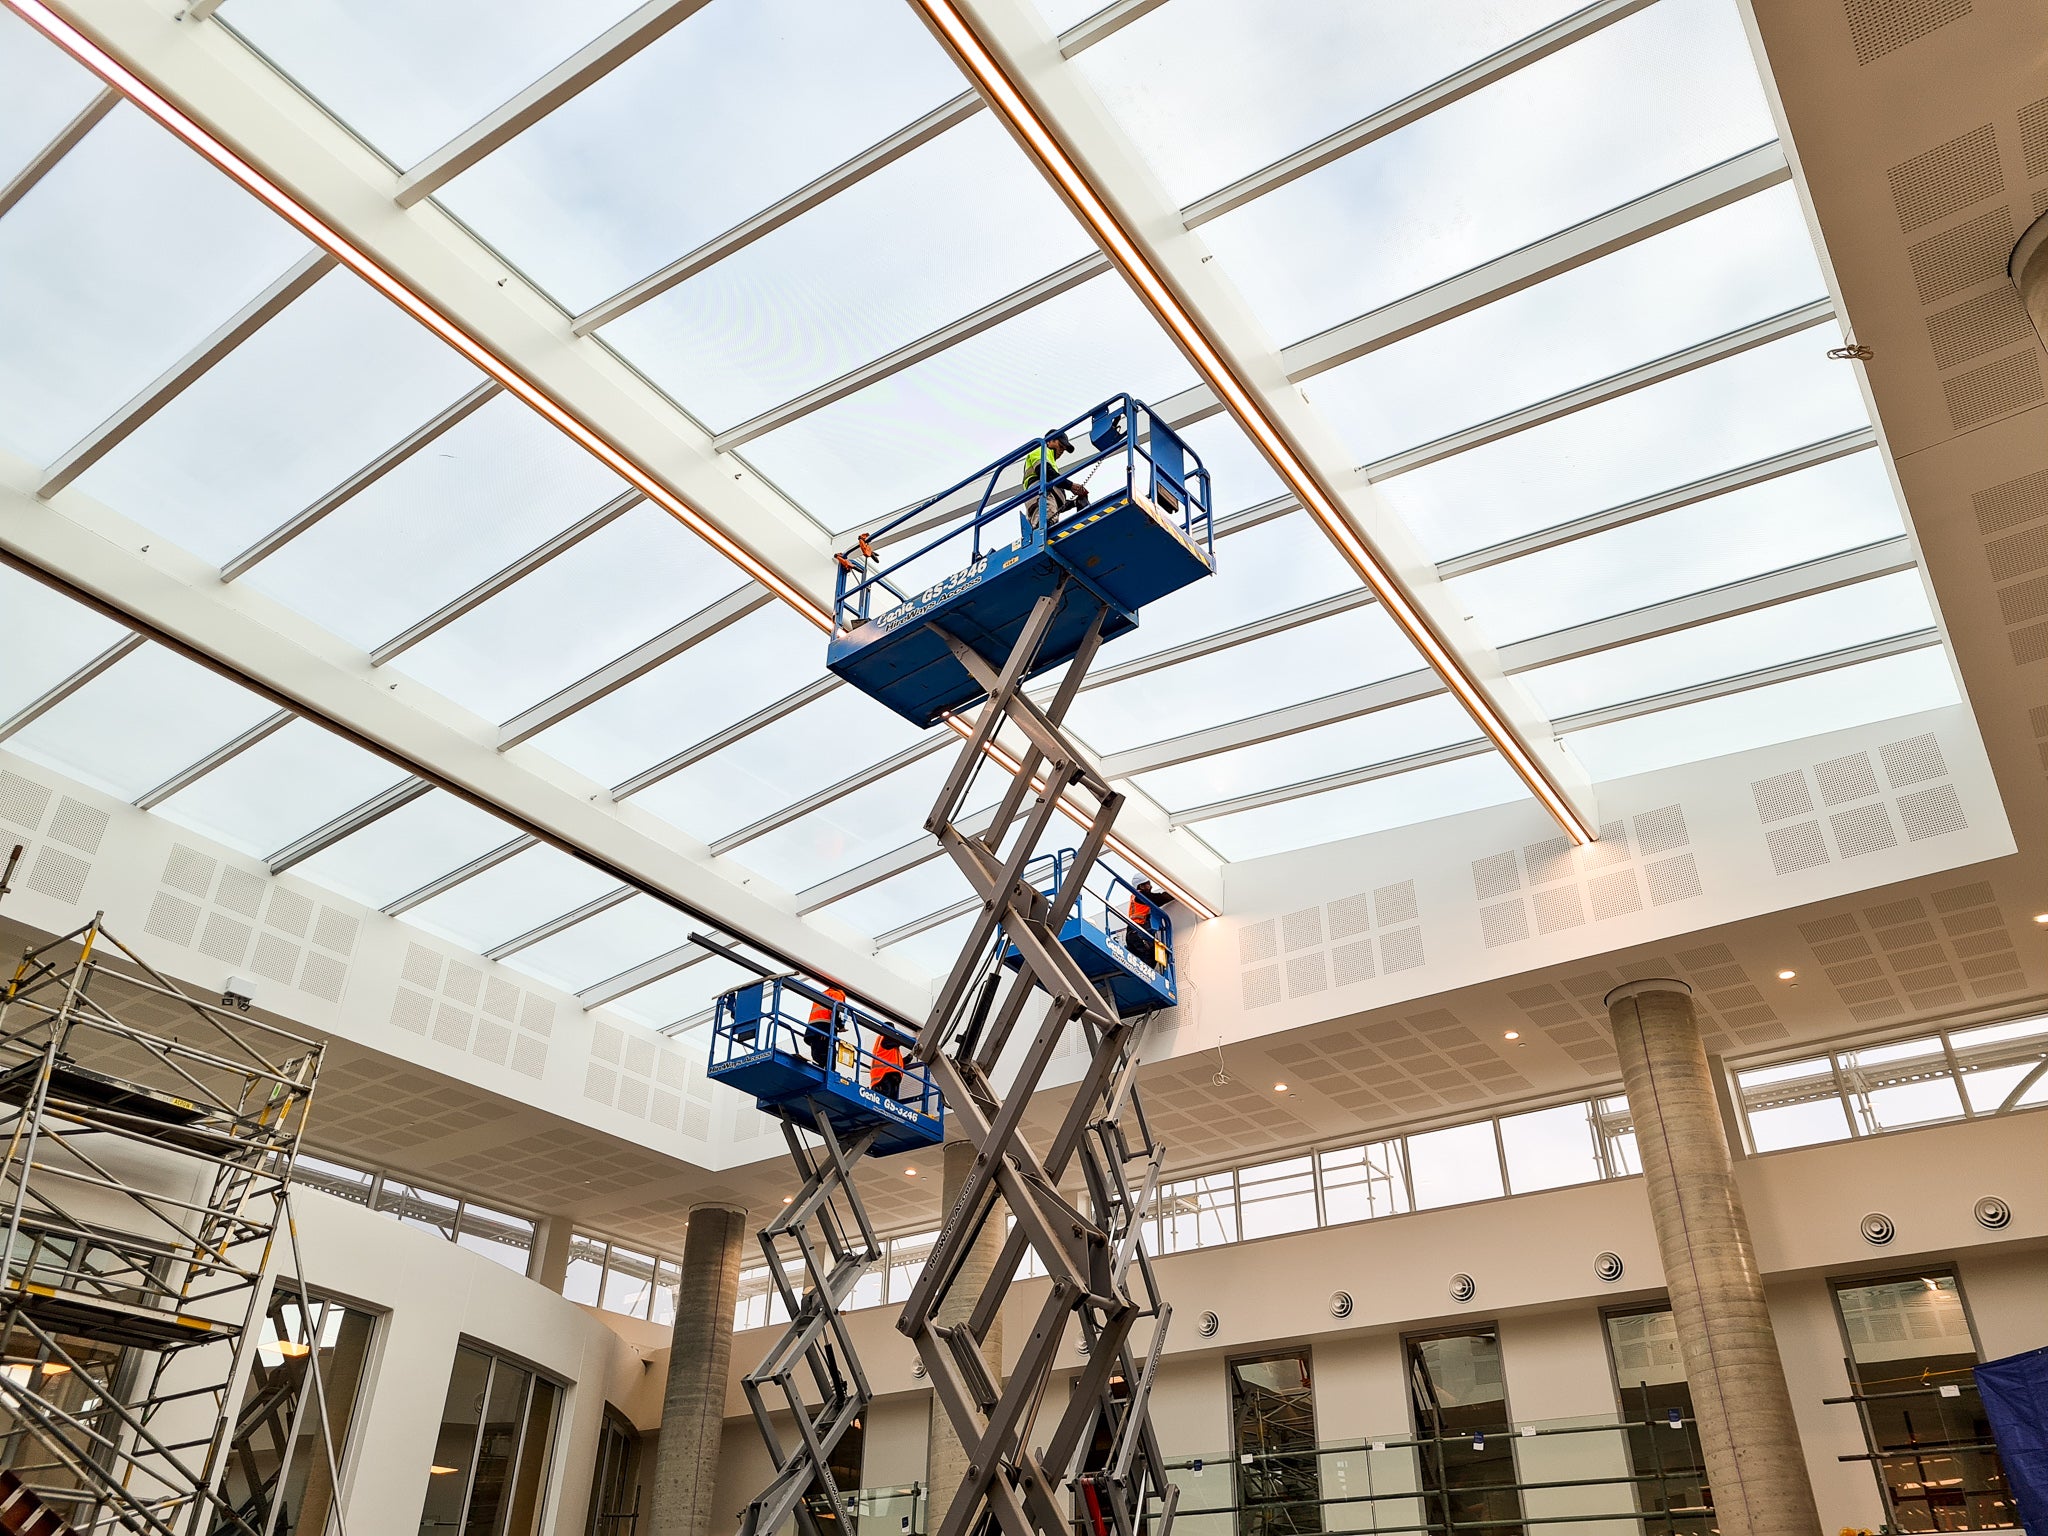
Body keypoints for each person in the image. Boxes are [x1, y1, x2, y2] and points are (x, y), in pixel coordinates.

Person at [1019, 428, 1089, 530]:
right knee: (1045, 525)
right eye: (1060, 446)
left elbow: (1056, 502)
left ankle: (1041, 532)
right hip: (1040, 495)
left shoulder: (1051, 462)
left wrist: (1074, 503)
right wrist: (1071, 485)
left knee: (1049, 522)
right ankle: (1041, 532)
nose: (1061, 451)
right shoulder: (1041, 450)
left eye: (1064, 449)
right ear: (1049, 441)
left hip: (1044, 499)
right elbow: (1046, 473)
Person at [805, 984, 845, 1070]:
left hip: (812, 1028)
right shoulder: (837, 994)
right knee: (828, 1054)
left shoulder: (823, 994)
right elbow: (836, 1011)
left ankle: (817, 1069)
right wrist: (840, 1026)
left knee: (817, 1054)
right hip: (824, 1027)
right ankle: (829, 1072)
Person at [1123, 882, 1164, 961]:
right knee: (1151, 955)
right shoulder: (1141, 896)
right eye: (1148, 884)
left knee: (1135, 961)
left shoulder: (1134, 896)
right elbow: (1159, 899)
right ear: (1141, 886)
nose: (1150, 886)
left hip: (1132, 932)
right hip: (1139, 932)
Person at [870, 1028, 905, 1103]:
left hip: (889, 1076)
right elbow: (899, 1041)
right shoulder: (885, 1040)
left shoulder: (893, 1049)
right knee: (886, 1100)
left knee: (891, 1102)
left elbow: (898, 1063)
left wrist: (909, 1057)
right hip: (883, 1076)